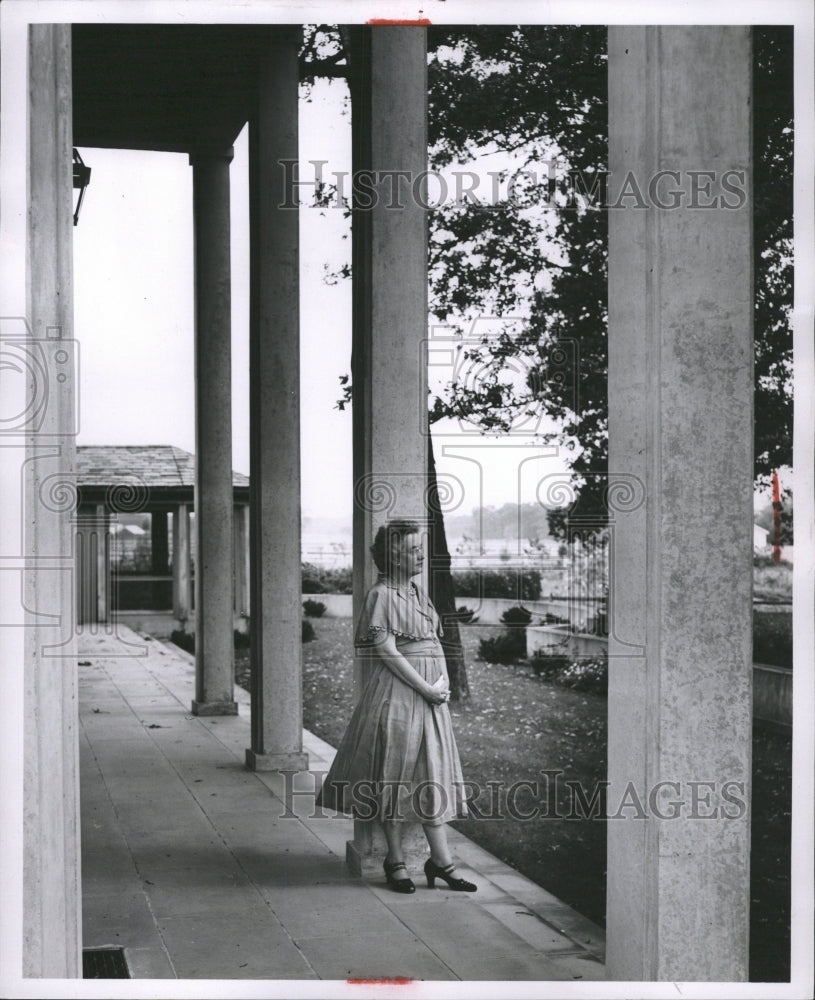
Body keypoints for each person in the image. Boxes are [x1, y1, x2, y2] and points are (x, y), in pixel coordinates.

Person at [317, 519, 477, 894]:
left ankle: (440, 862)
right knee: (395, 774)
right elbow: (386, 650)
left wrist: (444, 683)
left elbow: (432, 642)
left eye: (420, 548)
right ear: (392, 556)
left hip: (430, 698)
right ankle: (396, 860)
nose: (420, 554)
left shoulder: (418, 592)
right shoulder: (382, 595)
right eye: (412, 550)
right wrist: (425, 687)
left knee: (430, 773)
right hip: (401, 695)